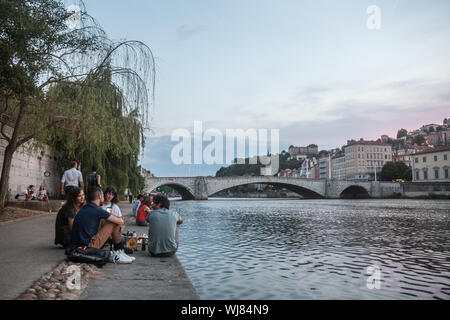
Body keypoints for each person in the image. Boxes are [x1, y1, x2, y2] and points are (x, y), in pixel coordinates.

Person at [70, 186, 134, 263]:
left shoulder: (84, 208)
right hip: (87, 247)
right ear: (100, 196)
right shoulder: (97, 210)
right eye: (103, 195)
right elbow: (120, 221)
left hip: (76, 246)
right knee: (113, 222)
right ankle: (119, 252)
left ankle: (119, 251)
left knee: (105, 220)